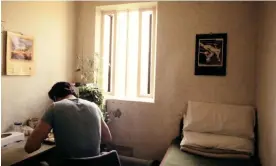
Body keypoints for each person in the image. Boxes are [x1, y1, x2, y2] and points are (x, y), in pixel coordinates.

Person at [24, 82, 112, 164]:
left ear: (55, 98)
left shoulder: (55, 107)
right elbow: (107, 138)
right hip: (95, 163)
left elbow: (30, 147)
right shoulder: (93, 106)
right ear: (73, 93)